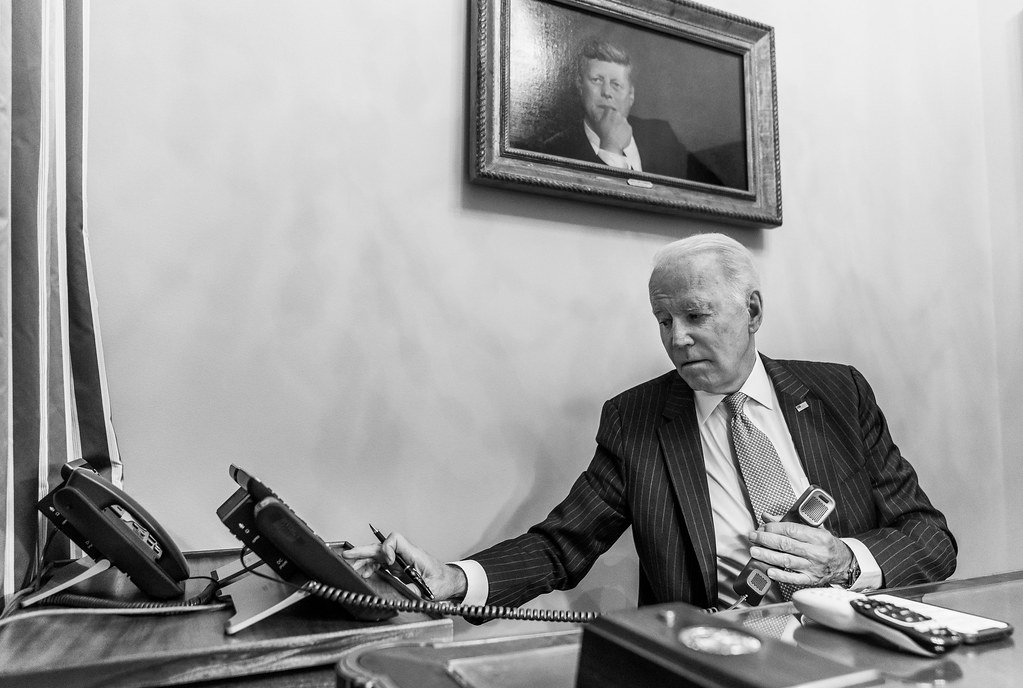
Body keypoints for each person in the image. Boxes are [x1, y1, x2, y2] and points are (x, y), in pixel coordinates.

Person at [344, 234, 957, 613]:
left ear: (753, 312)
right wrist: (454, 579)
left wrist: (846, 561)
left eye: (695, 315)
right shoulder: (636, 420)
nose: (677, 339)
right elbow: (561, 545)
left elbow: (931, 539)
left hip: (849, 657)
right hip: (715, 663)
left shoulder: (838, 393)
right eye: (662, 320)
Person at [538, 39, 722, 185]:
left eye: (616, 84)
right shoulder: (555, 149)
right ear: (580, 86)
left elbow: (714, 192)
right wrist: (610, 148)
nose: (607, 92)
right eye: (596, 80)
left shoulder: (661, 134)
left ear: (631, 95)